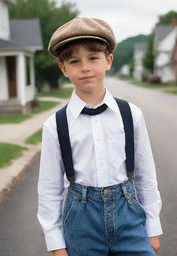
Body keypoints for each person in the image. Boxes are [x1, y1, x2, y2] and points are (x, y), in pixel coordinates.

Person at [37, 17, 163, 256]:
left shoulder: (131, 114)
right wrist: (56, 244)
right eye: (75, 61)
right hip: (81, 223)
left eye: (93, 58)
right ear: (63, 68)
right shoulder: (55, 125)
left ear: (108, 61)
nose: (85, 67)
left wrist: (152, 226)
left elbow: (146, 174)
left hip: (129, 218)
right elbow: (49, 188)